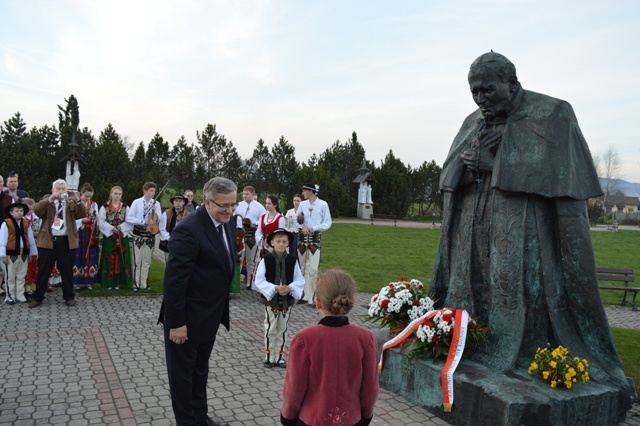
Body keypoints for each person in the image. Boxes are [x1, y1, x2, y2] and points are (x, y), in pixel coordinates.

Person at [430, 52, 635, 402]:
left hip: (526, 238)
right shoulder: (472, 122)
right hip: (476, 232)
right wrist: (465, 169)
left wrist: (495, 165)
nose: (480, 98)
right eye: (474, 91)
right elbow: (449, 175)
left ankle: (531, 351)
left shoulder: (553, 114)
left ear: (512, 84)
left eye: (487, 90)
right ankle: (471, 340)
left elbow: (561, 180)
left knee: (523, 297)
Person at [158, 176, 237, 426]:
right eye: (224, 205)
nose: (230, 210)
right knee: (183, 376)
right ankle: (187, 421)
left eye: (233, 204)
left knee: (199, 370)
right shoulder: (188, 229)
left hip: (209, 316)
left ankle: (199, 415)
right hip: (187, 319)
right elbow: (174, 282)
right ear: (207, 201)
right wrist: (177, 323)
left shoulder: (227, 222)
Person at [281, 269, 379, 426]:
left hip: (311, 419)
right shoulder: (365, 339)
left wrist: (288, 415)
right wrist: (366, 414)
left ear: (317, 302)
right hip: (352, 419)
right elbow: (370, 387)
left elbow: (294, 388)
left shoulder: (304, 339)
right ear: (352, 300)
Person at [29, 179, 87, 308]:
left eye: (63, 189)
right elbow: (37, 210)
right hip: (48, 241)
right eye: (58, 189)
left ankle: (69, 296)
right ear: (52, 190)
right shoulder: (48, 203)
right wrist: (51, 198)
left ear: (67, 190)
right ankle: (38, 297)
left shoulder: (71, 203)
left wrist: (77, 199)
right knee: (44, 270)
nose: (60, 191)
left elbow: (83, 213)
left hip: (66, 240)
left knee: (66, 271)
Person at [254, 228, 304, 368]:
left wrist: (290, 287)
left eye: (284, 242)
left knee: (282, 328)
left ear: (288, 243)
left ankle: (280, 356)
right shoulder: (266, 260)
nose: (281, 244)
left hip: (286, 300)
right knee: (270, 327)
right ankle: (269, 356)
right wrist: (275, 288)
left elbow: (299, 279)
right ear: (272, 243)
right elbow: (259, 280)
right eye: (278, 241)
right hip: (272, 300)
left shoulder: (293, 260)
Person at [296, 183, 332, 305]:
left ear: (310, 191)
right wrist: (303, 226)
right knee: (302, 267)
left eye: (304, 191)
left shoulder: (323, 204)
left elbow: (327, 222)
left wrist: (314, 227)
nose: (302, 193)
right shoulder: (302, 204)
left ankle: (312, 297)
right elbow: (297, 220)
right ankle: (304, 295)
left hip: (314, 239)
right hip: (302, 238)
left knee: (313, 268)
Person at [126, 182, 162, 291]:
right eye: (151, 191)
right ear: (145, 191)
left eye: (154, 191)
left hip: (150, 235)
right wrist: (143, 221)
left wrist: (154, 212)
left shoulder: (157, 204)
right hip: (138, 234)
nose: (153, 193)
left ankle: (144, 283)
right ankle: (135, 283)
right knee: (137, 260)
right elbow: (129, 218)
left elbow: (159, 219)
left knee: (147, 260)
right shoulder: (136, 202)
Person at [0, 203, 37, 304]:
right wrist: (2, 255)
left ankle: (20, 295)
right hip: (10, 253)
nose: (19, 213)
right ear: (11, 213)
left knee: (21, 275)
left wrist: (32, 252)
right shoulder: (6, 223)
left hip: (23, 252)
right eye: (17, 211)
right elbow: (2, 239)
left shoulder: (26, 223)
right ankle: (9, 296)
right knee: (10, 276)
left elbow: (30, 238)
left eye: (21, 211)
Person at [97, 186, 133, 290]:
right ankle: (108, 282)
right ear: (111, 194)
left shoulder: (125, 207)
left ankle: (118, 282)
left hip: (121, 236)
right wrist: (111, 228)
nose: (117, 196)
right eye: (115, 193)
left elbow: (129, 221)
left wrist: (121, 227)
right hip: (109, 236)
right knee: (109, 256)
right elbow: (101, 221)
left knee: (121, 256)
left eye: (119, 194)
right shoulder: (105, 207)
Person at [233, 186, 266, 289]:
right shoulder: (239, 205)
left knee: (250, 260)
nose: (244, 196)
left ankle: (250, 282)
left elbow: (263, 220)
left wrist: (254, 223)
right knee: (239, 258)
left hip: (252, 234)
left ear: (252, 194)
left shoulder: (259, 207)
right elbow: (233, 216)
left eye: (246, 194)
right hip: (240, 235)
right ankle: (236, 282)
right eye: (243, 194)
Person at [73, 183, 99, 291]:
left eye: (90, 196)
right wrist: (81, 221)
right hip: (79, 232)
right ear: (81, 194)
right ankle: (77, 281)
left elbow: (96, 216)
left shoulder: (93, 204)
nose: (88, 198)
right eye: (86, 196)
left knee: (90, 256)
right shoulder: (75, 203)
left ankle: (89, 281)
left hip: (90, 233)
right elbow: (70, 219)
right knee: (78, 255)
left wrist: (96, 220)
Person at [254, 194, 286, 268]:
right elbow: (258, 231)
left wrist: (271, 241)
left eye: (269, 203)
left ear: (275, 205)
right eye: (266, 203)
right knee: (261, 267)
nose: (266, 205)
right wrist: (260, 239)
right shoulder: (263, 217)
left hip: (274, 247)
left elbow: (281, 234)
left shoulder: (280, 218)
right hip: (262, 246)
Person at [158, 194, 189, 261]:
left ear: (183, 203)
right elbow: (162, 228)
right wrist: (169, 238)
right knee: (168, 262)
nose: (178, 203)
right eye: (176, 201)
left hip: (183, 243)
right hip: (169, 242)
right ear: (173, 202)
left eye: (180, 201)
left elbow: (190, 230)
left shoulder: (188, 214)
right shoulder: (167, 213)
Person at [22, 198, 40, 297]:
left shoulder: (36, 217)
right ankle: (23, 287)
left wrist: (38, 233)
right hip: (25, 244)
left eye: (32, 209)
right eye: (28, 209)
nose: (30, 211)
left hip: (35, 244)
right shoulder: (22, 219)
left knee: (33, 266)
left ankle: (32, 287)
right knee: (25, 267)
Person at [284, 194, 302, 259]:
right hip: (291, 234)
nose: (296, 202)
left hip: (300, 234)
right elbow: (286, 224)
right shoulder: (289, 212)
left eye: (298, 201)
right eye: (294, 200)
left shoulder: (303, 212)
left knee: (299, 253)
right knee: (292, 252)